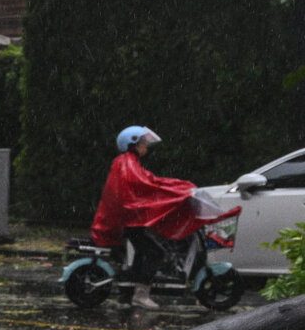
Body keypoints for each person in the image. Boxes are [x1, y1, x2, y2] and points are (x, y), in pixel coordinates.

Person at [90, 126, 239, 310]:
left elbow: (151, 181)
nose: (146, 146)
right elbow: (146, 185)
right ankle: (141, 295)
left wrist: (177, 186)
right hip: (130, 221)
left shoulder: (127, 162)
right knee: (156, 253)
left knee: (143, 252)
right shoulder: (128, 163)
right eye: (143, 143)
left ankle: (129, 292)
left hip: (130, 220)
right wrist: (176, 191)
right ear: (133, 144)